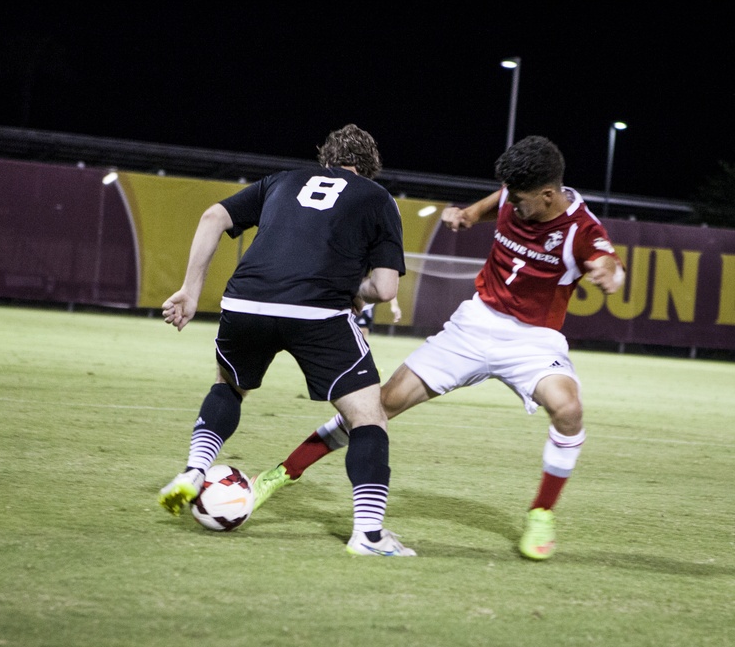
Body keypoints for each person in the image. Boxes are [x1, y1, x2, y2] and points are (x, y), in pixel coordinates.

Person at [250, 135, 626, 561]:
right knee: (376, 407)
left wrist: (610, 275)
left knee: (569, 411)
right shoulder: (512, 195)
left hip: (532, 341)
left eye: (522, 201)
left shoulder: (582, 230)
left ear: (548, 194)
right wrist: (467, 215)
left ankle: (541, 511)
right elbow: (496, 200)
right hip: (473, 325)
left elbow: (607, 262)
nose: (513, 206)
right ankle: (282, 472)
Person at [157, 124, 414, 556]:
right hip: (316, 312)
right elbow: (385, 289)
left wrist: (189, 290)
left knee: (229, 387)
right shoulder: (377, 198)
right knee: (368, 418)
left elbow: (212, 217)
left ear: (326, 160)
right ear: (368, 170)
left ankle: (195, 469)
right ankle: (368, 534)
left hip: (244, 304)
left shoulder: (282, 180)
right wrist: (357, 293)